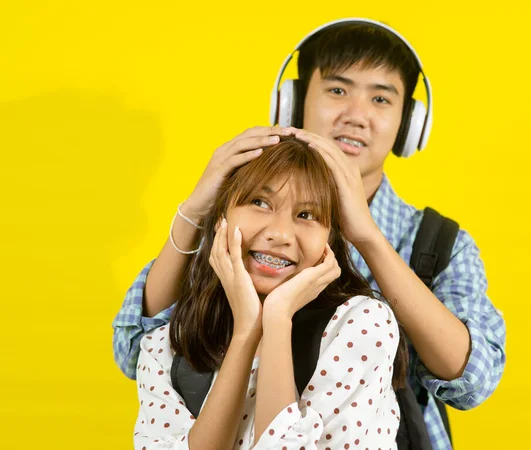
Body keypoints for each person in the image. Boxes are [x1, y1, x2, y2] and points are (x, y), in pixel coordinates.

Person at [114, 18, 506, 450]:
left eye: (380, 98)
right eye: (337, 90)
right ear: (294, 103)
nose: (356, 116)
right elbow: (137, 349)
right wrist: (194, 210)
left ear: (408, 123)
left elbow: (474, 380)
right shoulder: (238, 231)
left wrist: (368, 237)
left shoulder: (437, 242)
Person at [133, 137, 405, 449]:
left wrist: (277, 319)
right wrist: (246, 332)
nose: (279, 233)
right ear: (221, 217)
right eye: (260, 203)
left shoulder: (360, 325)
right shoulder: (165, 348)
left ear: (330, 240)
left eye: (307, 215)